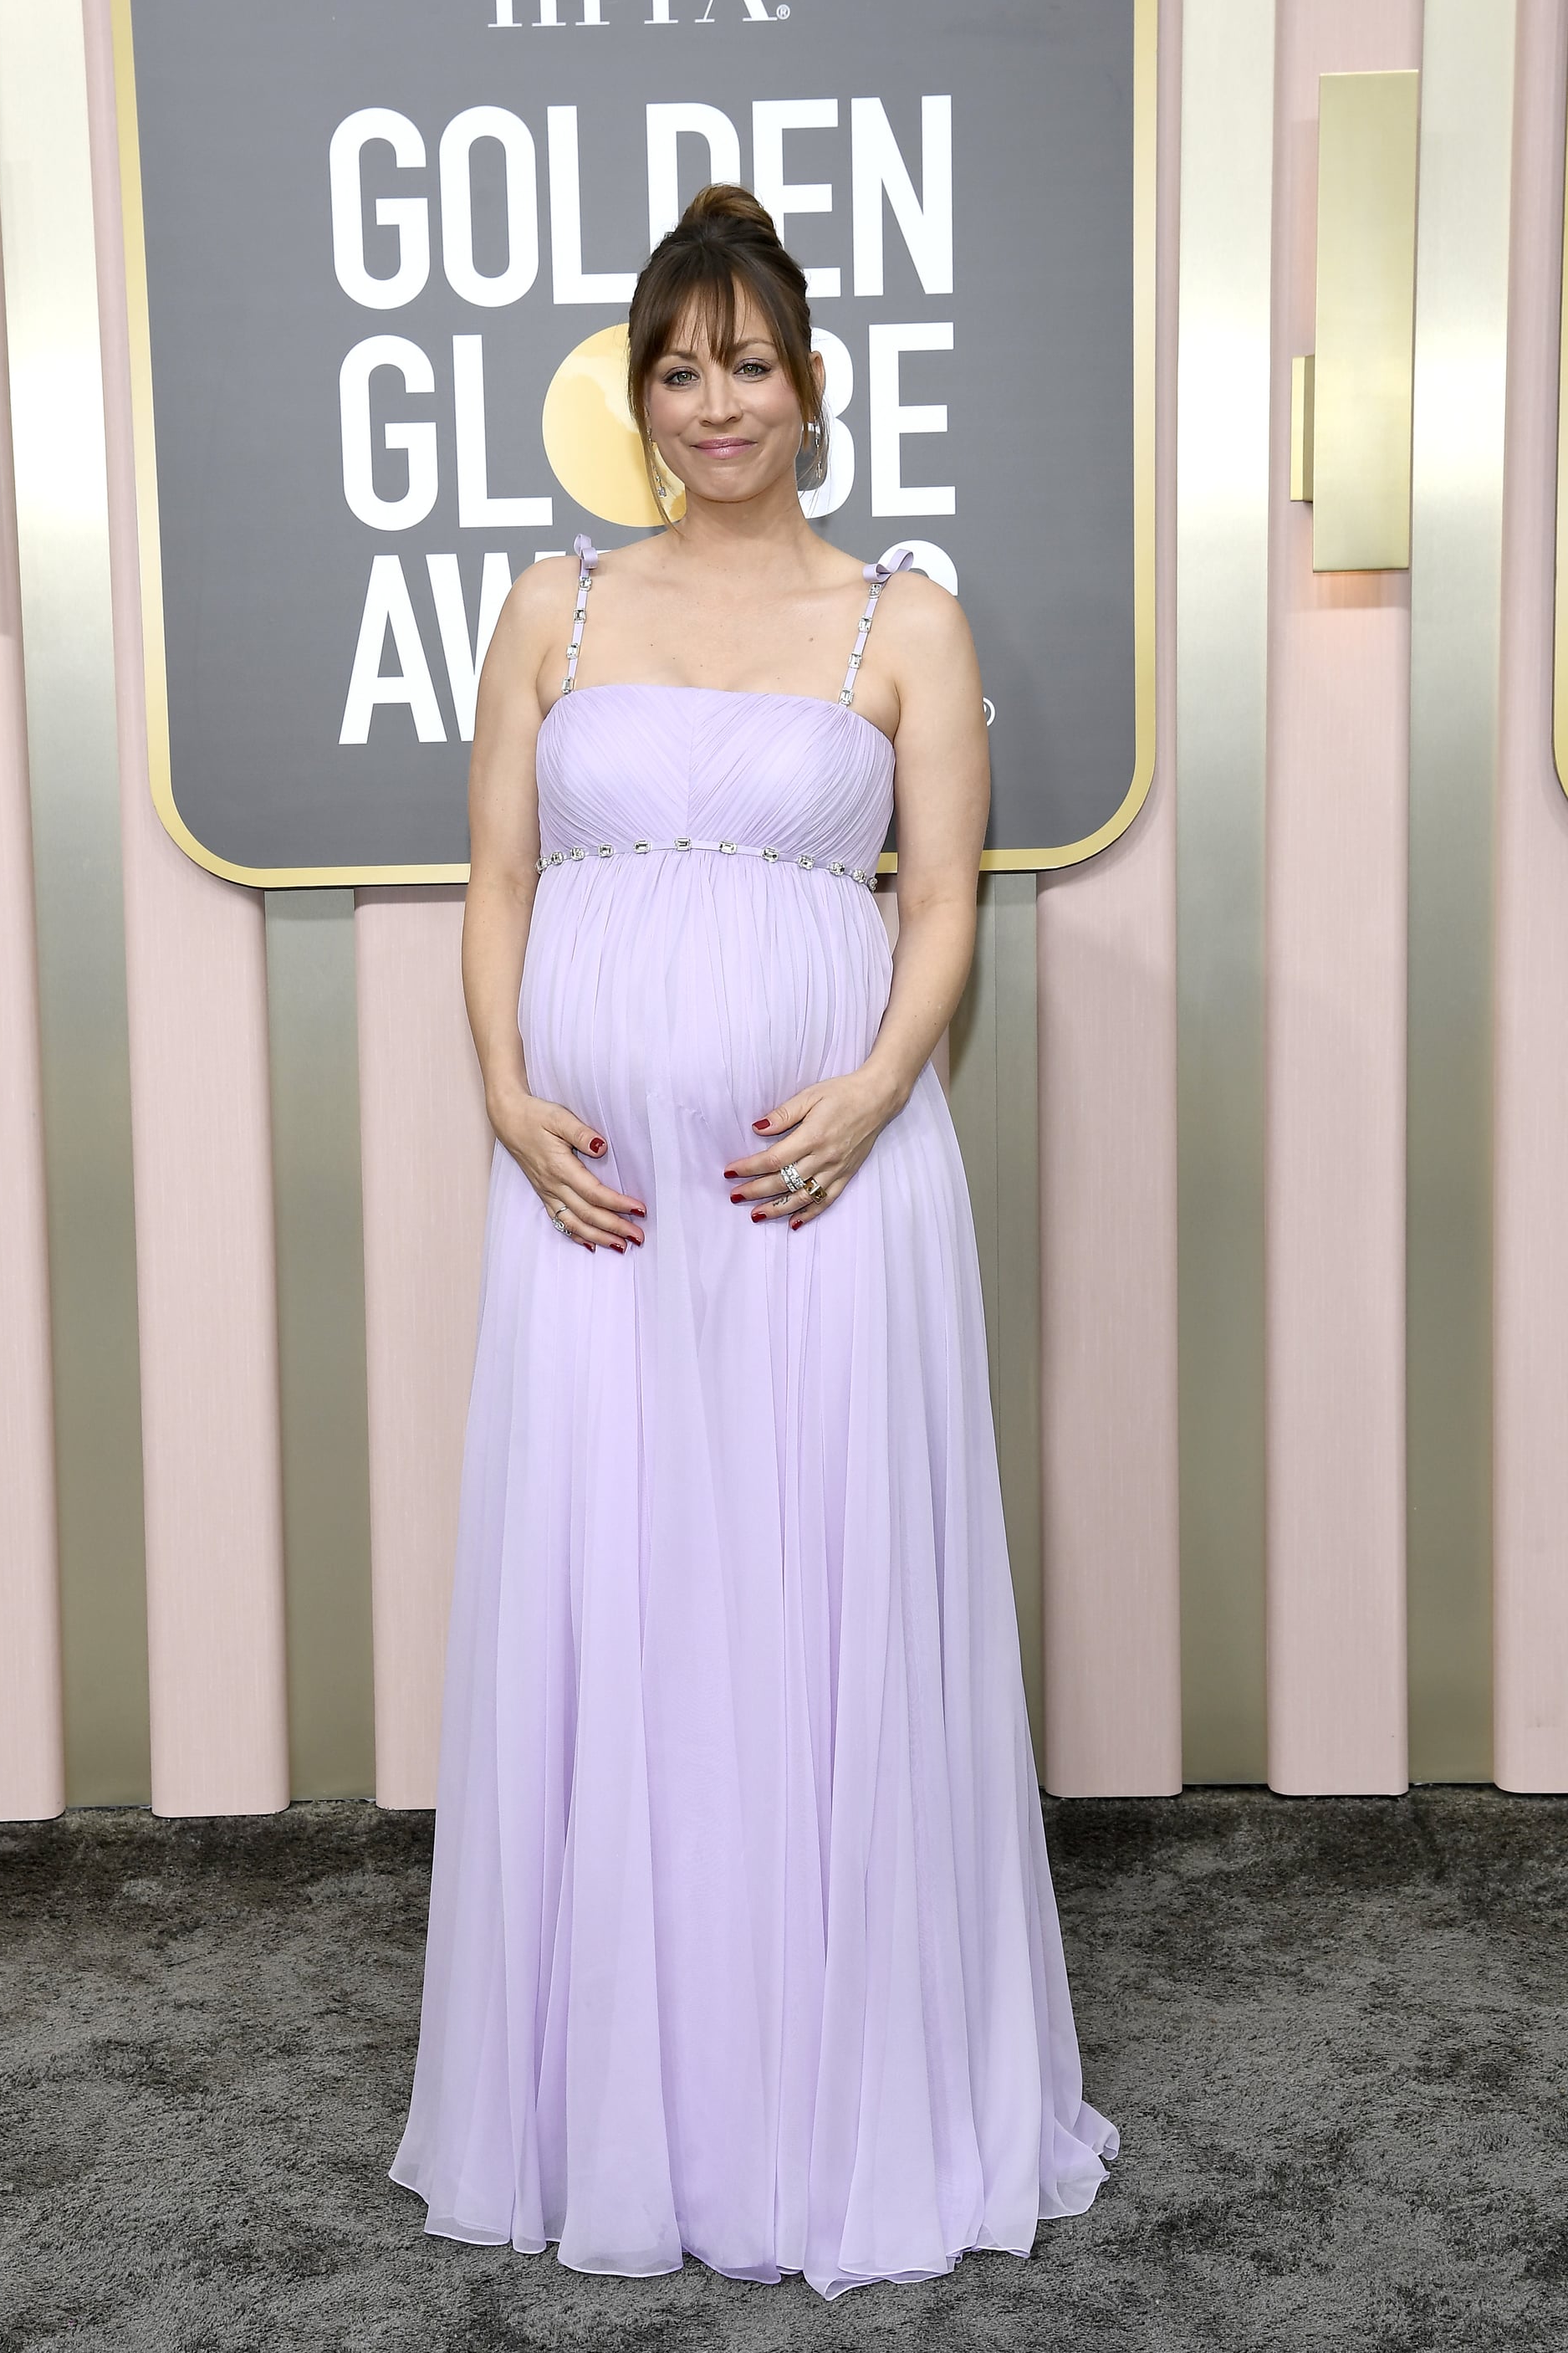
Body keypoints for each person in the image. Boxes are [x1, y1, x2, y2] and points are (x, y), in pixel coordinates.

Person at [389, 185, 1116, 2299]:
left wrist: (878, 1092)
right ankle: (624, 2097)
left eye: (749, 365)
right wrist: (509, 1098)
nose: (716, 403)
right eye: (677, 370)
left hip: (828, 1202)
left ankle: (838, 2099)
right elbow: (501, 883)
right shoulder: (554, 609)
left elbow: (948, 906)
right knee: (617, 1602)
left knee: (819, 1613)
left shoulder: (907, 620)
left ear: (814, 387)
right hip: (595, 1206)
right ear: (640, 401)